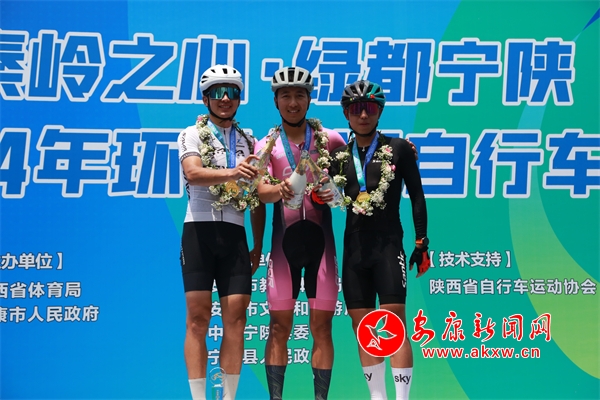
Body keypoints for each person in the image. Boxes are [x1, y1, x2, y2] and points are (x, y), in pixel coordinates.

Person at [316, 80, 430, 400]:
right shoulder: (338, 156)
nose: (363, 115)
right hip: (354, 249)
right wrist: (318, 192)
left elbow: (417, 196)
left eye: (369, 108)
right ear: (346, 114)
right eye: (356, 109)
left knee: (394, 324)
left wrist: (421, 241)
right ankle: (377, 397)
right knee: (363, 328)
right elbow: (323, 195)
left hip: (388, 245)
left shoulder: (399, 149)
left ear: (379, 111)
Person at [255, 66, 347, 400]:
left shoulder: (331, 140)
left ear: (309, 99)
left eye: (299, 95)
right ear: (276, 101)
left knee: (322, 327)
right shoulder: (266, 145)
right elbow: (259, 193)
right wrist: (278, 190)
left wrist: (404, 148)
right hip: (284, 248)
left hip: (323, 246)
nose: (292, 103)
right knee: (279, 327)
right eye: (286, 96)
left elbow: (353, 181)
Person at [177, 64, 266, 400]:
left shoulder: (249, 140)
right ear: (206, 99)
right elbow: (193, 173)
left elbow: (257, 195)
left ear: (240, 98)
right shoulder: (191, 133)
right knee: (198, 319)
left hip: (235, 235)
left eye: (232, 92)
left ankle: (228, 397)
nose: (225, 98)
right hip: (198, 232)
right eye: (217, 92)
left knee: (237, 319)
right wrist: (233, 172)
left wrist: (258, 243)